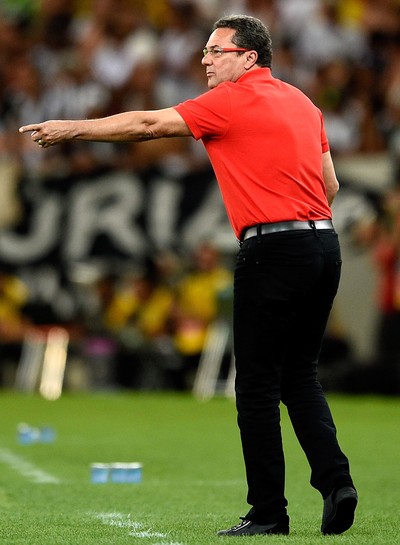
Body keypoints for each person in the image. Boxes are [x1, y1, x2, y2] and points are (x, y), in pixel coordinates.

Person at [19, 14, 357, 537]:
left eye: (216, 50)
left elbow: (150, 125)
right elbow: (329, 183)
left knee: (258, 386)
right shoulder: (304, 104)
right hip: (322, 243)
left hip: (272, 249)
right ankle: (337, 482)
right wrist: (301, 223)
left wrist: (73, 129)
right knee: (301, 375)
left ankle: (269, 512)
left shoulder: (232, 100)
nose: (205, 59)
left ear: (249, 58)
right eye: (205, 50)